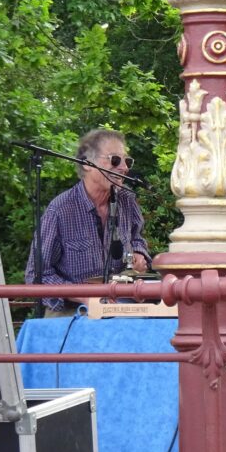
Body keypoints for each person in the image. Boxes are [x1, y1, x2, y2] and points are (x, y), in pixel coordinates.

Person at [25, 129, 151, 317]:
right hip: (72, 309)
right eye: (115, 160)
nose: (124, 167)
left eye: (128, 161)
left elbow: (137, 238)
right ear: (87, 164)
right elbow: (36, 275)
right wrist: (84, 297)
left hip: (121, 302)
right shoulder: (60, 209)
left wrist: (140, 254)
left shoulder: (127, 199)